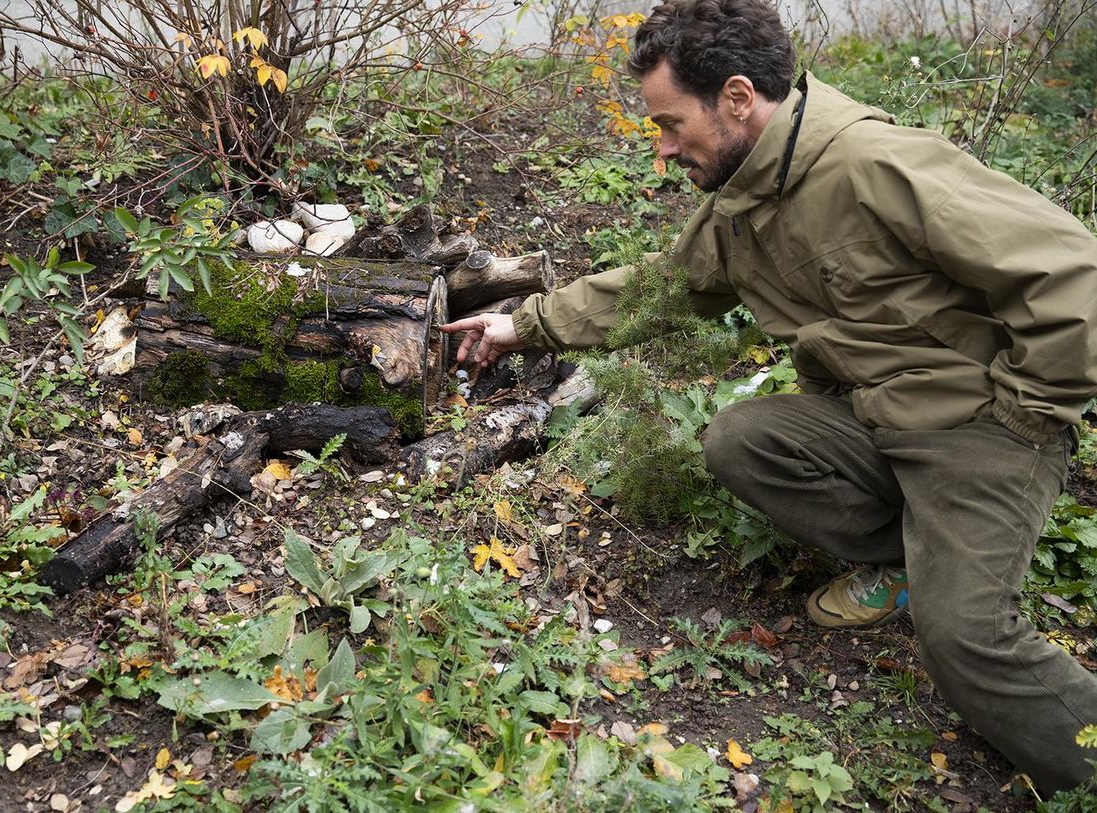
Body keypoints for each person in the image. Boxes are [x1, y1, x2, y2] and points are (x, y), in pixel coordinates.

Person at [439, 0, 1097, 795]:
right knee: (744, 438)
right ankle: (905, 556)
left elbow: (1074, 275)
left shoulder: (874, 164)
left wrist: (1026, 409)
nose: (662, 149)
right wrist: (525, 326)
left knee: (968, 638)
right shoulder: (745, 192)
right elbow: (667, 286)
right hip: (875, 417)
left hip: (978, 428)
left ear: (739, 97)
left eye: (672, 124)